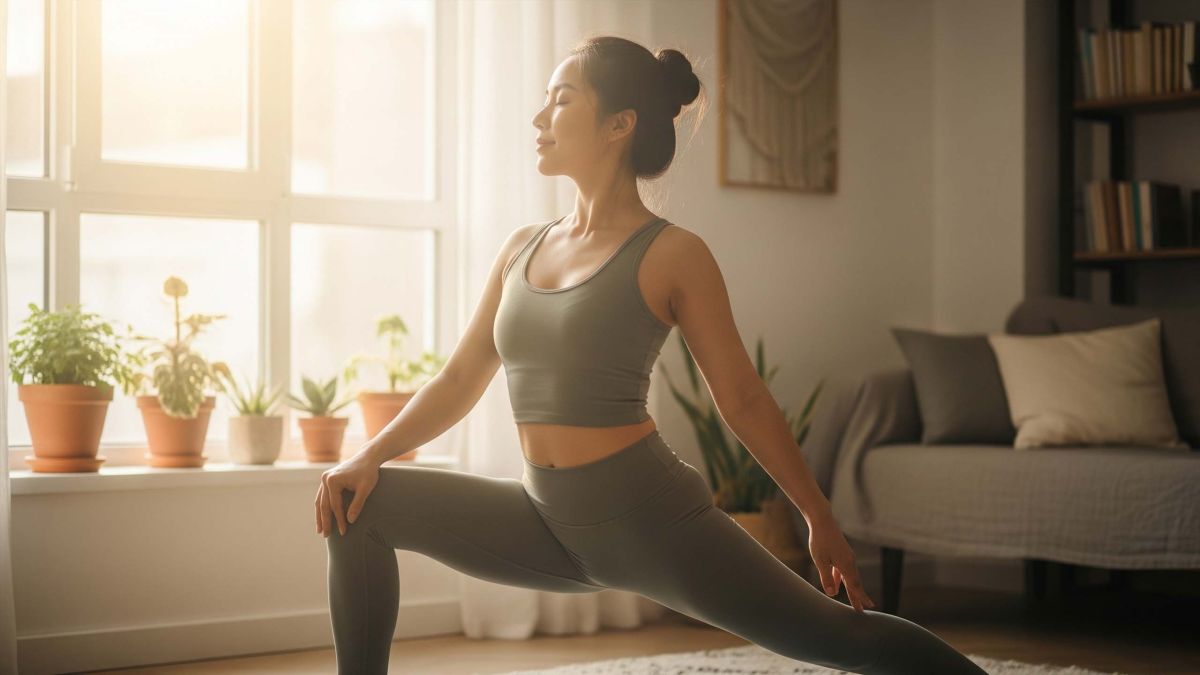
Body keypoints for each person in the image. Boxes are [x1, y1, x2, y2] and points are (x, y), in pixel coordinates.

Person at [316, 35, 988, 675]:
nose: (539, 117)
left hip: (653, 523)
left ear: (619, 124)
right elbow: (460, 377)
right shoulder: (521, 247)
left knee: (846, 639)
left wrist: (818, 516)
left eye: (561, 99)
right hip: (547, 519)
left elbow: (742, 399)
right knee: (358, 506)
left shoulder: (673, 253)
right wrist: (367, 456)